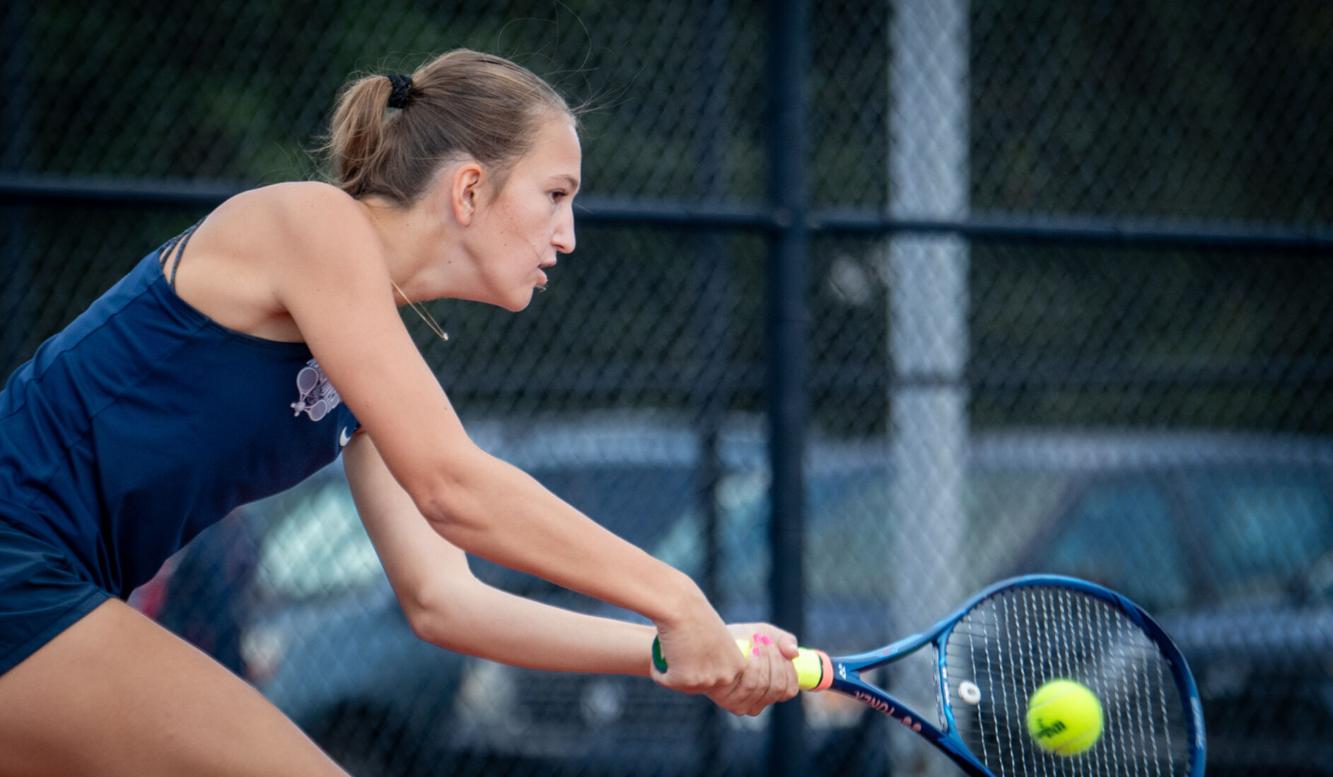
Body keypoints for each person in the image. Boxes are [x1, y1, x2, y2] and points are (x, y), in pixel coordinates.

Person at [0, 49, 800, 776]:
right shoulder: (310, 223)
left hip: (52, 588)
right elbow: (454, 487)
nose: (568, 235)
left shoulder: (366, 362)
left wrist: (680, 649)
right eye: (556, 195)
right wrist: (676, 597)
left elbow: (444, 601)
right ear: (469, 188)